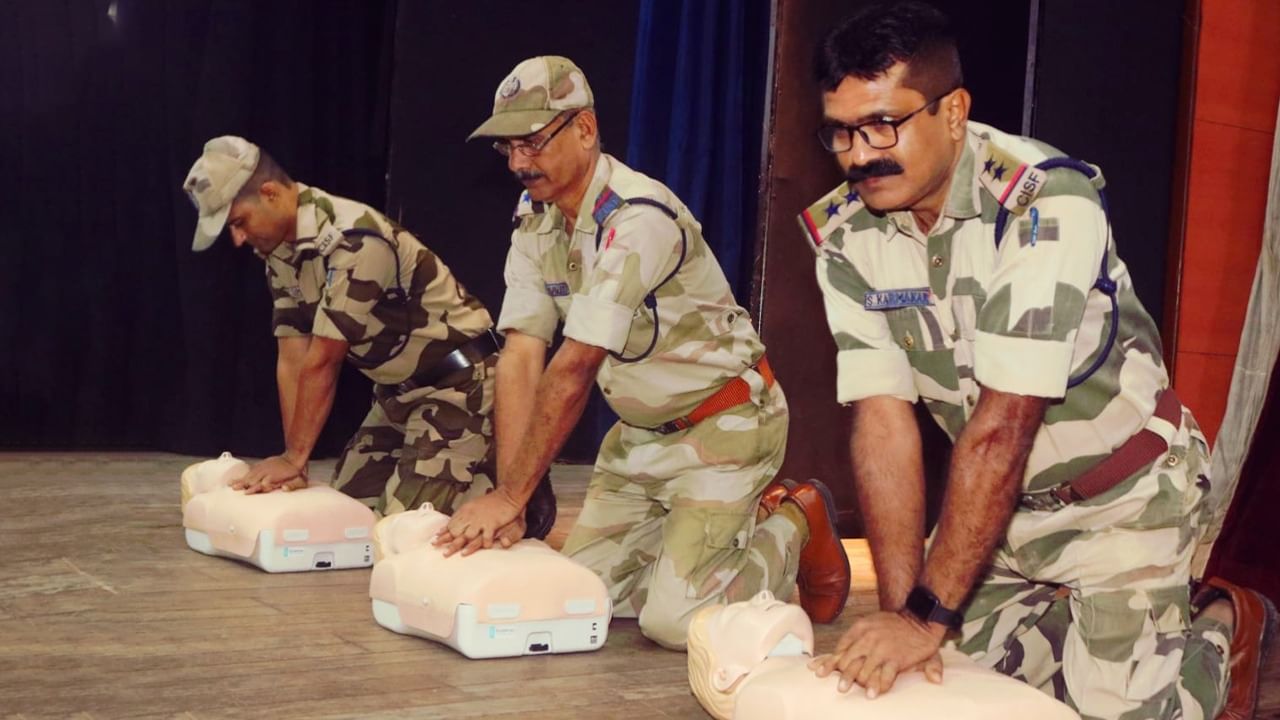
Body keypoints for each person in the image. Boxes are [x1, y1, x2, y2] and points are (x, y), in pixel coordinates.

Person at [798, 3, 1276, 718]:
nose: (861, 154)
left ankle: (1215, 635)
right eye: (841, 131)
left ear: (953, 111)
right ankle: (1086, 635)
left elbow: (1004, 423)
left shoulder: (1045, 202)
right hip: (997, 513)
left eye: (883, 125)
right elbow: (884, 422)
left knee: (1109, 712)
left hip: (1122, 497)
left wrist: (927, 620)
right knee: (943, 692)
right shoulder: (844, 235)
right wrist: (906, 613)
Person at [433, 56, 851, 649]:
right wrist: (514, 501)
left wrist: (508, 496)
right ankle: (688, 554)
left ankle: (792, 523)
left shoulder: (638, 220)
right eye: (508, 148)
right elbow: (523, 356)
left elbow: (573, 367)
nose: (520, 163)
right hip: (638, 440)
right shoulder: (536, 220)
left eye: (532, 141)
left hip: (725, 425)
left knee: (676, 625)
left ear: (584, 129)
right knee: (575, 597)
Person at [181, 136, 554, 536]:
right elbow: (292, 357)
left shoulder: (354, 239)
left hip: (461, 387)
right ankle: (472, 470)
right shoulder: (279, 254)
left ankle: (508, 490)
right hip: (398, 395)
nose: (238, 239)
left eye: (238, 222)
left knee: (397, 530)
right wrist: (296, 462)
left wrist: (293, 457)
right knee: (346, 518)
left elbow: (324, 359)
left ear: (269, 193)